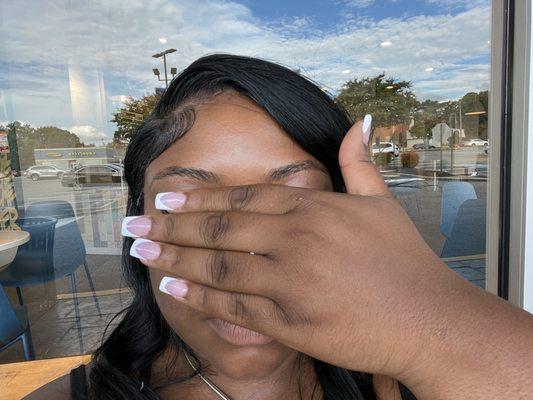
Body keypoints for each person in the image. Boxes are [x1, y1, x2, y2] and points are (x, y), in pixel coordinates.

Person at [26, 55, 533, 400]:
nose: (245, 260)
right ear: (137, 219)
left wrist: (438, 329)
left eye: (297, 202)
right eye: (191, 206)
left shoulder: (428, 377)